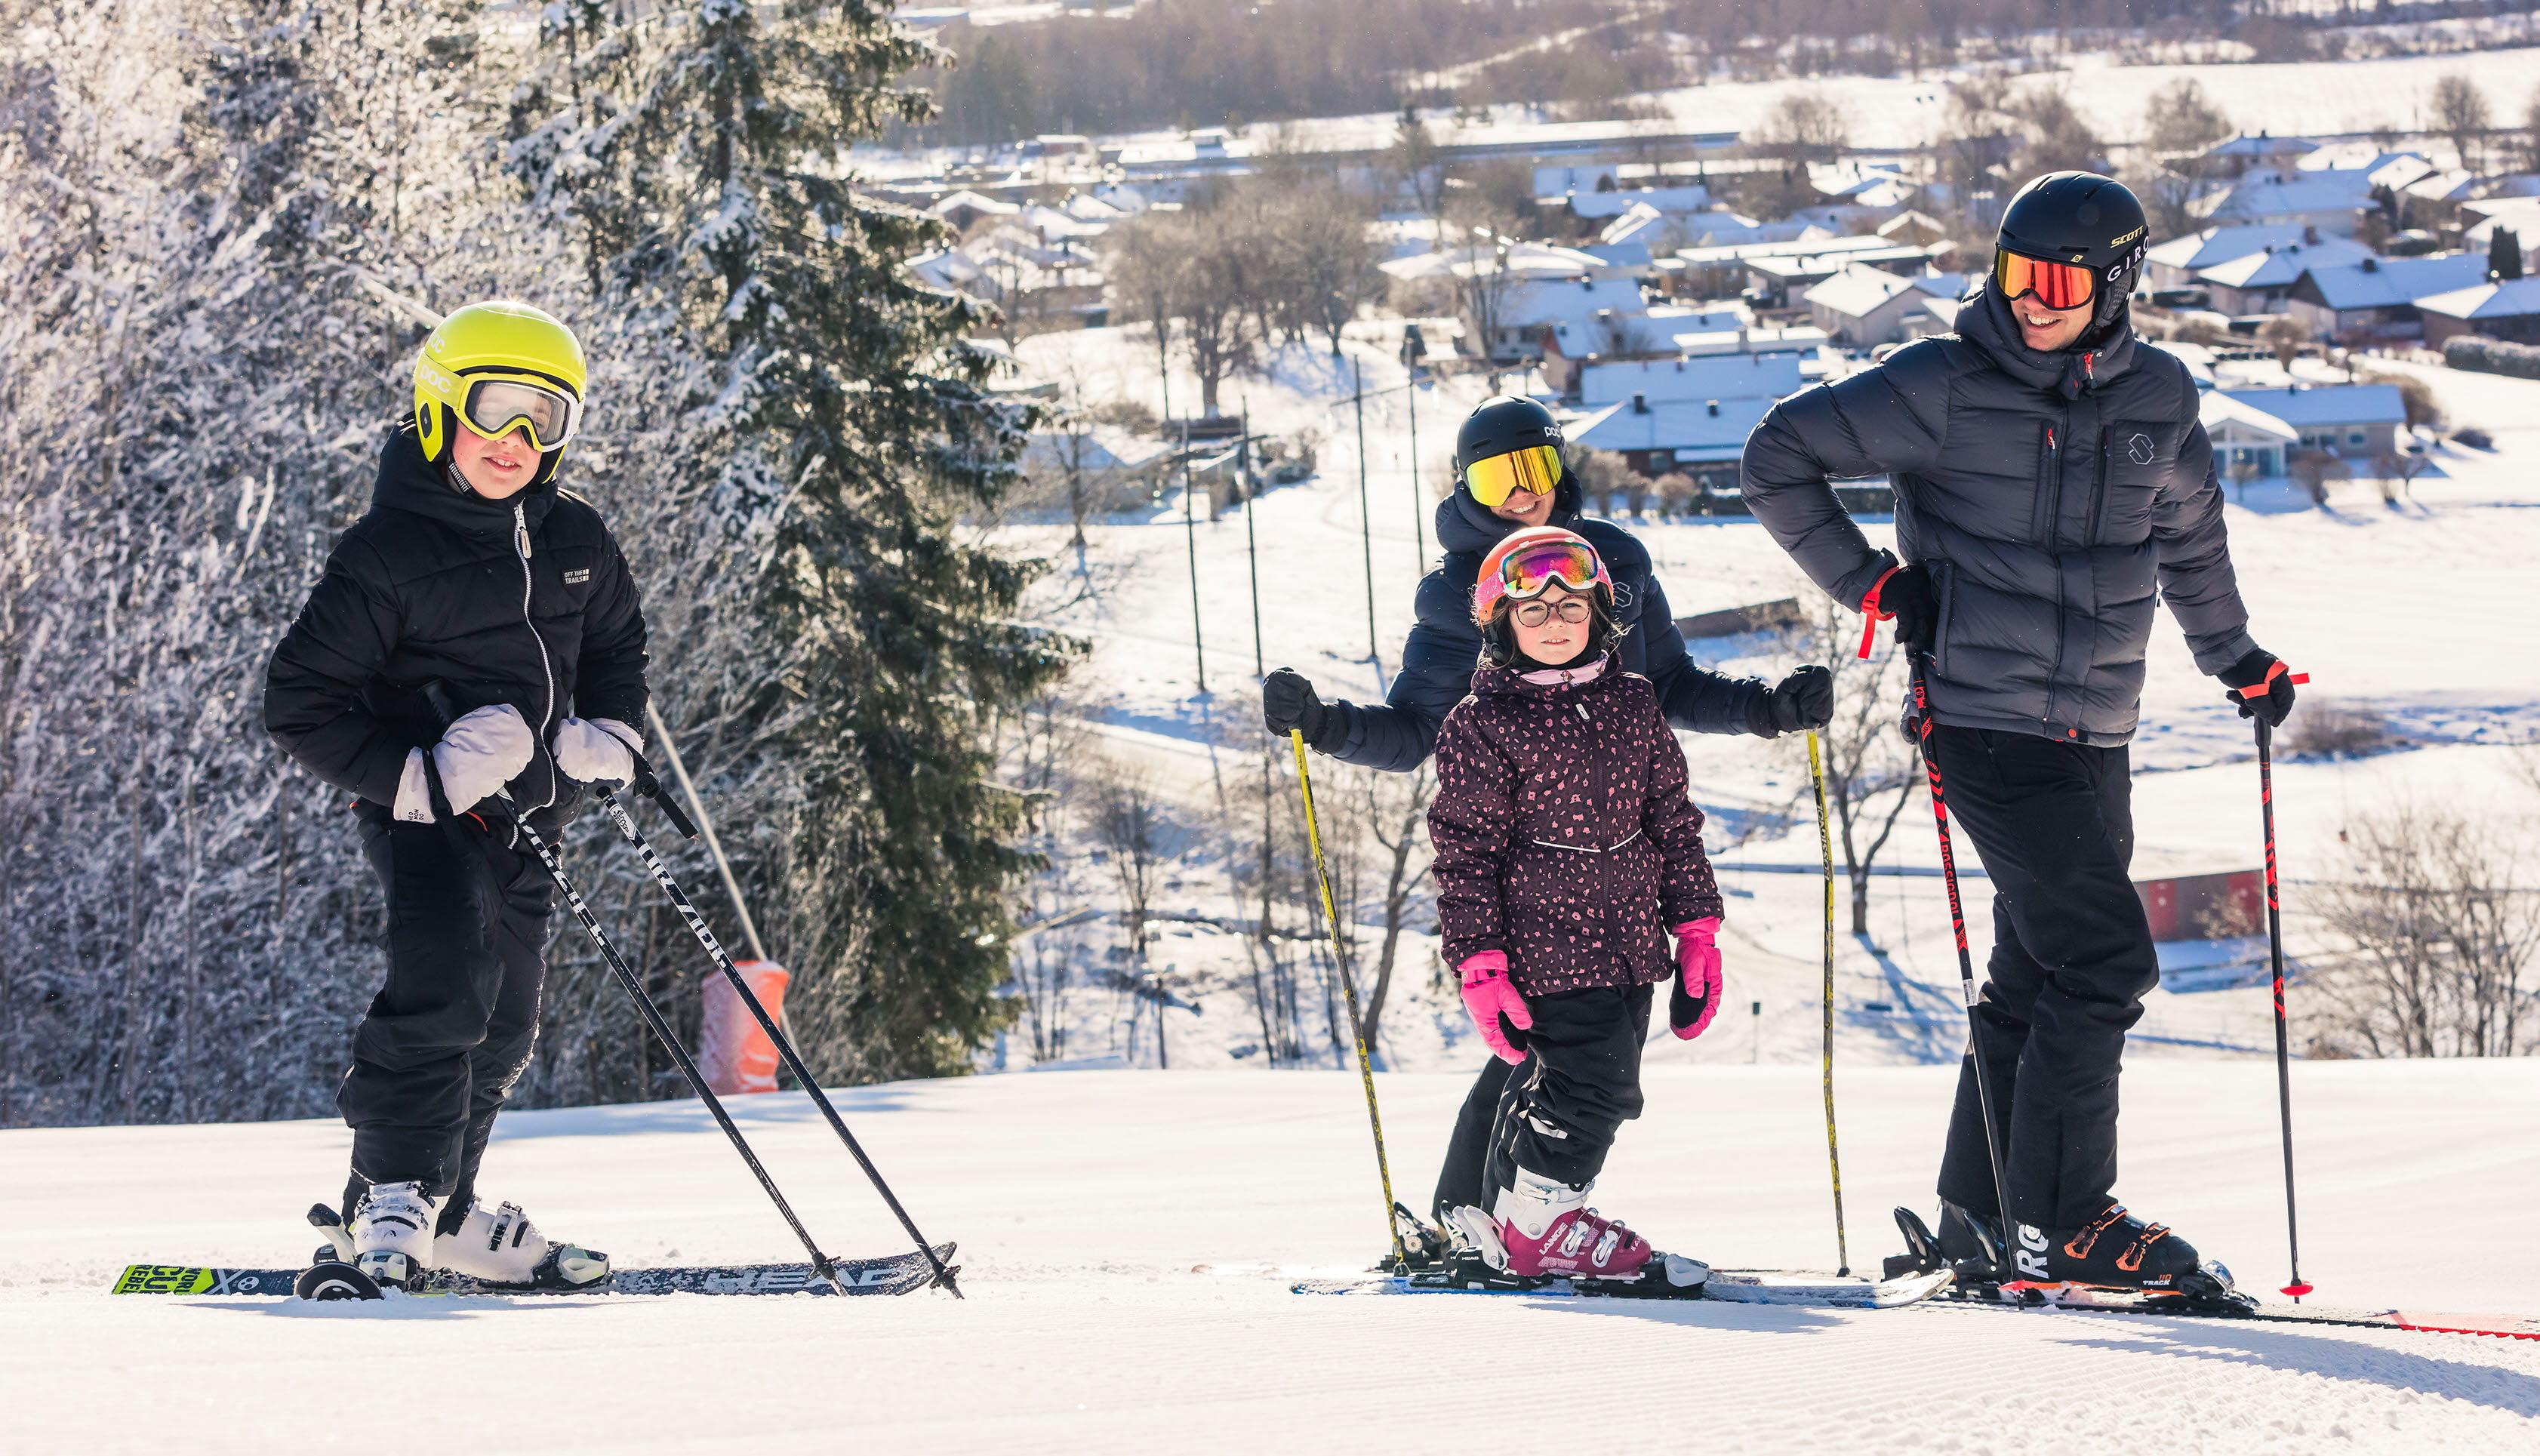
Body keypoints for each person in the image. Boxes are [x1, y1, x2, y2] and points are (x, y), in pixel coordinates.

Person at [1741, 173, 2300, 1291]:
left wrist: (2235, 657)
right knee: (2102, 960)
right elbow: (1775, 459)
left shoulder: (2160, 398)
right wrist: (1874, 587)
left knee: (2037, 966)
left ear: (2117, 281)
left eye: (2058, 282)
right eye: (2014, 274)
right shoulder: (1941, 383)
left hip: (2097, 728)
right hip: (1983, 719)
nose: (2032, 301)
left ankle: (1982, 1212)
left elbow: (2188, 541)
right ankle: (2067, 1219)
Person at [1261, 394, 1831, 1234]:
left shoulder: (1614, 565)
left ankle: (1470, 1218)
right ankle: (1525, 1223)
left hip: (1617, 872)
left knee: (1539, 1061)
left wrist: (1767, 709)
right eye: (1497, 475)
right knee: (1578, 1068)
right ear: (1465, 486)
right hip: (1526, 882)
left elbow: (1670, 686)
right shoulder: (1460, 595)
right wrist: (1324, 725)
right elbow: (1416, 729)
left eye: (1534, 468)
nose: (1520, 493)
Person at [264, 300, 651, 1291]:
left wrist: (607, 728)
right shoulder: (386, 554)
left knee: (508, 1018)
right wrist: (422, 774)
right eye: (498, 409)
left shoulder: (575, 538)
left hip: (534, 817)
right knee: (446, 981)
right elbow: (300, 705)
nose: (518, 441)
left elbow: (614, 646)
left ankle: (444, 1210)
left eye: (546, 418)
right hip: (428, 817)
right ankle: (390, 1194)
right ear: (442, 407)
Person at [1425, 527, 1725, 1279]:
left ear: (1598, 614)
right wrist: (1479, 962)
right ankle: (1539, 1227)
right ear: (1502, 625)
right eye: (1533, 612)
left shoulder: (1632, 703)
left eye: (1570, 607)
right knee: (1595, 1089)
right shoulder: (1482, 723)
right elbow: (1464, 850)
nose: (1554, 623)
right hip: (1542, 947)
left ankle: (1490, 1217)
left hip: (1629, 943)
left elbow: (1671, 820)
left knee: (1572, 1087)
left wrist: (1694, 929)